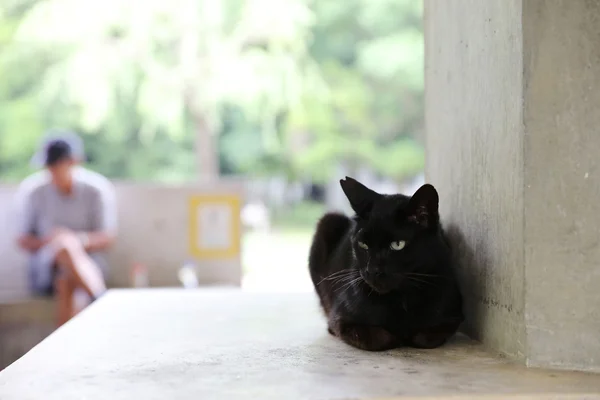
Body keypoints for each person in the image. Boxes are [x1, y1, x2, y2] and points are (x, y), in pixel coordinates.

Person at [14, 131, 117, 325]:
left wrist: (76, 240)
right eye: (49, 166)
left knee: (66, 277)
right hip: (45, 266)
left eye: (56, 165)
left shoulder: (95, 190)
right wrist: (52, 241)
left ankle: (66, 349)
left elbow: (107, 237)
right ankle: (100, 298)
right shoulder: (34, 191)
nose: (51, 171)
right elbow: (22, 239)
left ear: (73, 162)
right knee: (63, 247)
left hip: (87, 264)